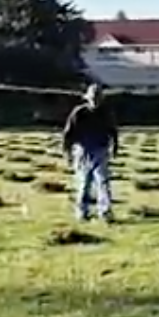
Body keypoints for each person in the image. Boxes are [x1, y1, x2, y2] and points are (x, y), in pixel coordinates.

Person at [61, 83, 119, 223]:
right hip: (83, 151)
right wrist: (67, 152)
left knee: (103, 182)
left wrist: (115, 147)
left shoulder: (106, 113)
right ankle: (82, 212)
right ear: (88, 98)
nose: (95, 101)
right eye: (93, 98)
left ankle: (105, 212)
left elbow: (113, 131)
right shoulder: (79, 113)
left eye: (98, 98)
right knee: (84, 183)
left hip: (101, 150)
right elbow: (68, 133)